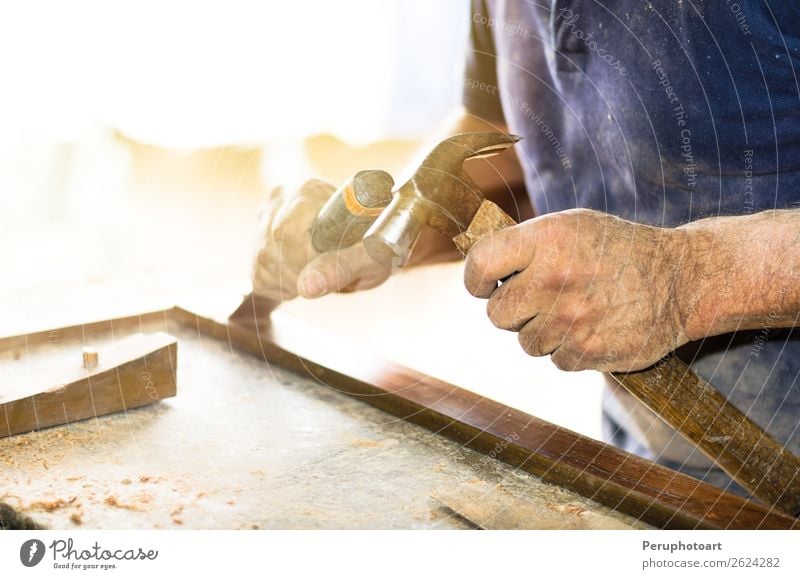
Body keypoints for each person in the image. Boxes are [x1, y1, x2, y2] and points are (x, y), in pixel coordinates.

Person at [252, 1, 800, 492]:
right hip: (645, 457)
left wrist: (685, 280)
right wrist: (383, 230)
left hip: (782, 471)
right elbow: (503, 133)